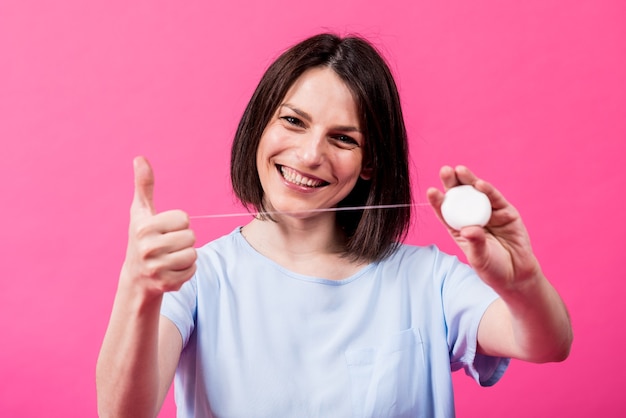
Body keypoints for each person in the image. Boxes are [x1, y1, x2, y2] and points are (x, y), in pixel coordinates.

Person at [96, 33, 572, 417]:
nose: (310, 155)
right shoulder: (195, 279)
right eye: (293, 121)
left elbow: (549, 344)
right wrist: (136, 288)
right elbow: (121, 415)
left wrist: (523, 282)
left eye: (342, 138)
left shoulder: (431, 280)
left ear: (370, 164)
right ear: (260, 125)